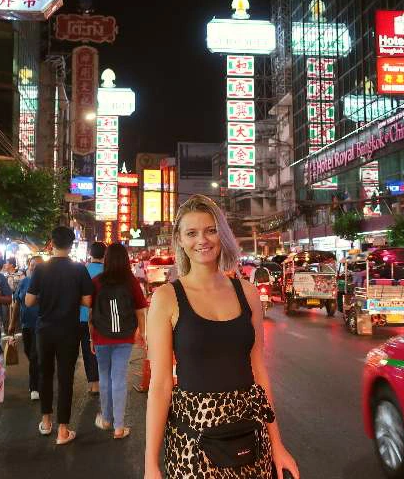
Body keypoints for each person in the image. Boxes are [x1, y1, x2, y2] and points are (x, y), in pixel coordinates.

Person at [144, 195, 299, 479]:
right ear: (180, 240)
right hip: (193, 441)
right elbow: (161, 385)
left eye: (210, 230)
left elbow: (259, 373)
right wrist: (150, 465)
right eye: (192, 233)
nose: (202, 240)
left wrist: (277, 444)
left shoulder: (247, 293)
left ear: (222, 235)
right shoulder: (166, 298)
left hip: (250, 437)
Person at [25, 227, 93, 445]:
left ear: (51, 243)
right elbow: (88, 301)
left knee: (45, 373)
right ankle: (63, 430)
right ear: (71, 245)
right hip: (69, 330)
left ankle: (46, 422)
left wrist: (46, 296)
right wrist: (71, 297)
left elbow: (29, 301)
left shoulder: (41, 269)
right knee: (66, 378)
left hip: (45, 329)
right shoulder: (79, 269)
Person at [90, 243, 148, 439]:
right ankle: (119, 427)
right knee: (119, 378)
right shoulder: (131, 282)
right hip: (124, 336)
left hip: (101, 336)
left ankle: (107, 419)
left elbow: (91, 312)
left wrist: (91, 337)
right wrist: (142, 332)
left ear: (106, 259)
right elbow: (140, 310)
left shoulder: (97, 282)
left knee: (104, 377)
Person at [9, 256, 41, 401]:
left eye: (38, 265)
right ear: (29, 266)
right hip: (26, 324)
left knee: (34, 355)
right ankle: (38, 373)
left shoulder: (48, 282)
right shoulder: (24, 282)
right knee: (29, 352)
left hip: (41, 325)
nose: (34, 267)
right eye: (32, 264)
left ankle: (34, 386)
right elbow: (17, 303)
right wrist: (12, 323)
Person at [82, 242, 105, 396]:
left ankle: (93, 383)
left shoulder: (83, 270)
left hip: (82, 316)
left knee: (87, 350)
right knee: (102, 349)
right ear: (105, 255)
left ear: (90, 253)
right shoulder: (108, 271)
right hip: (103, 317)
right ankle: (103, 381)